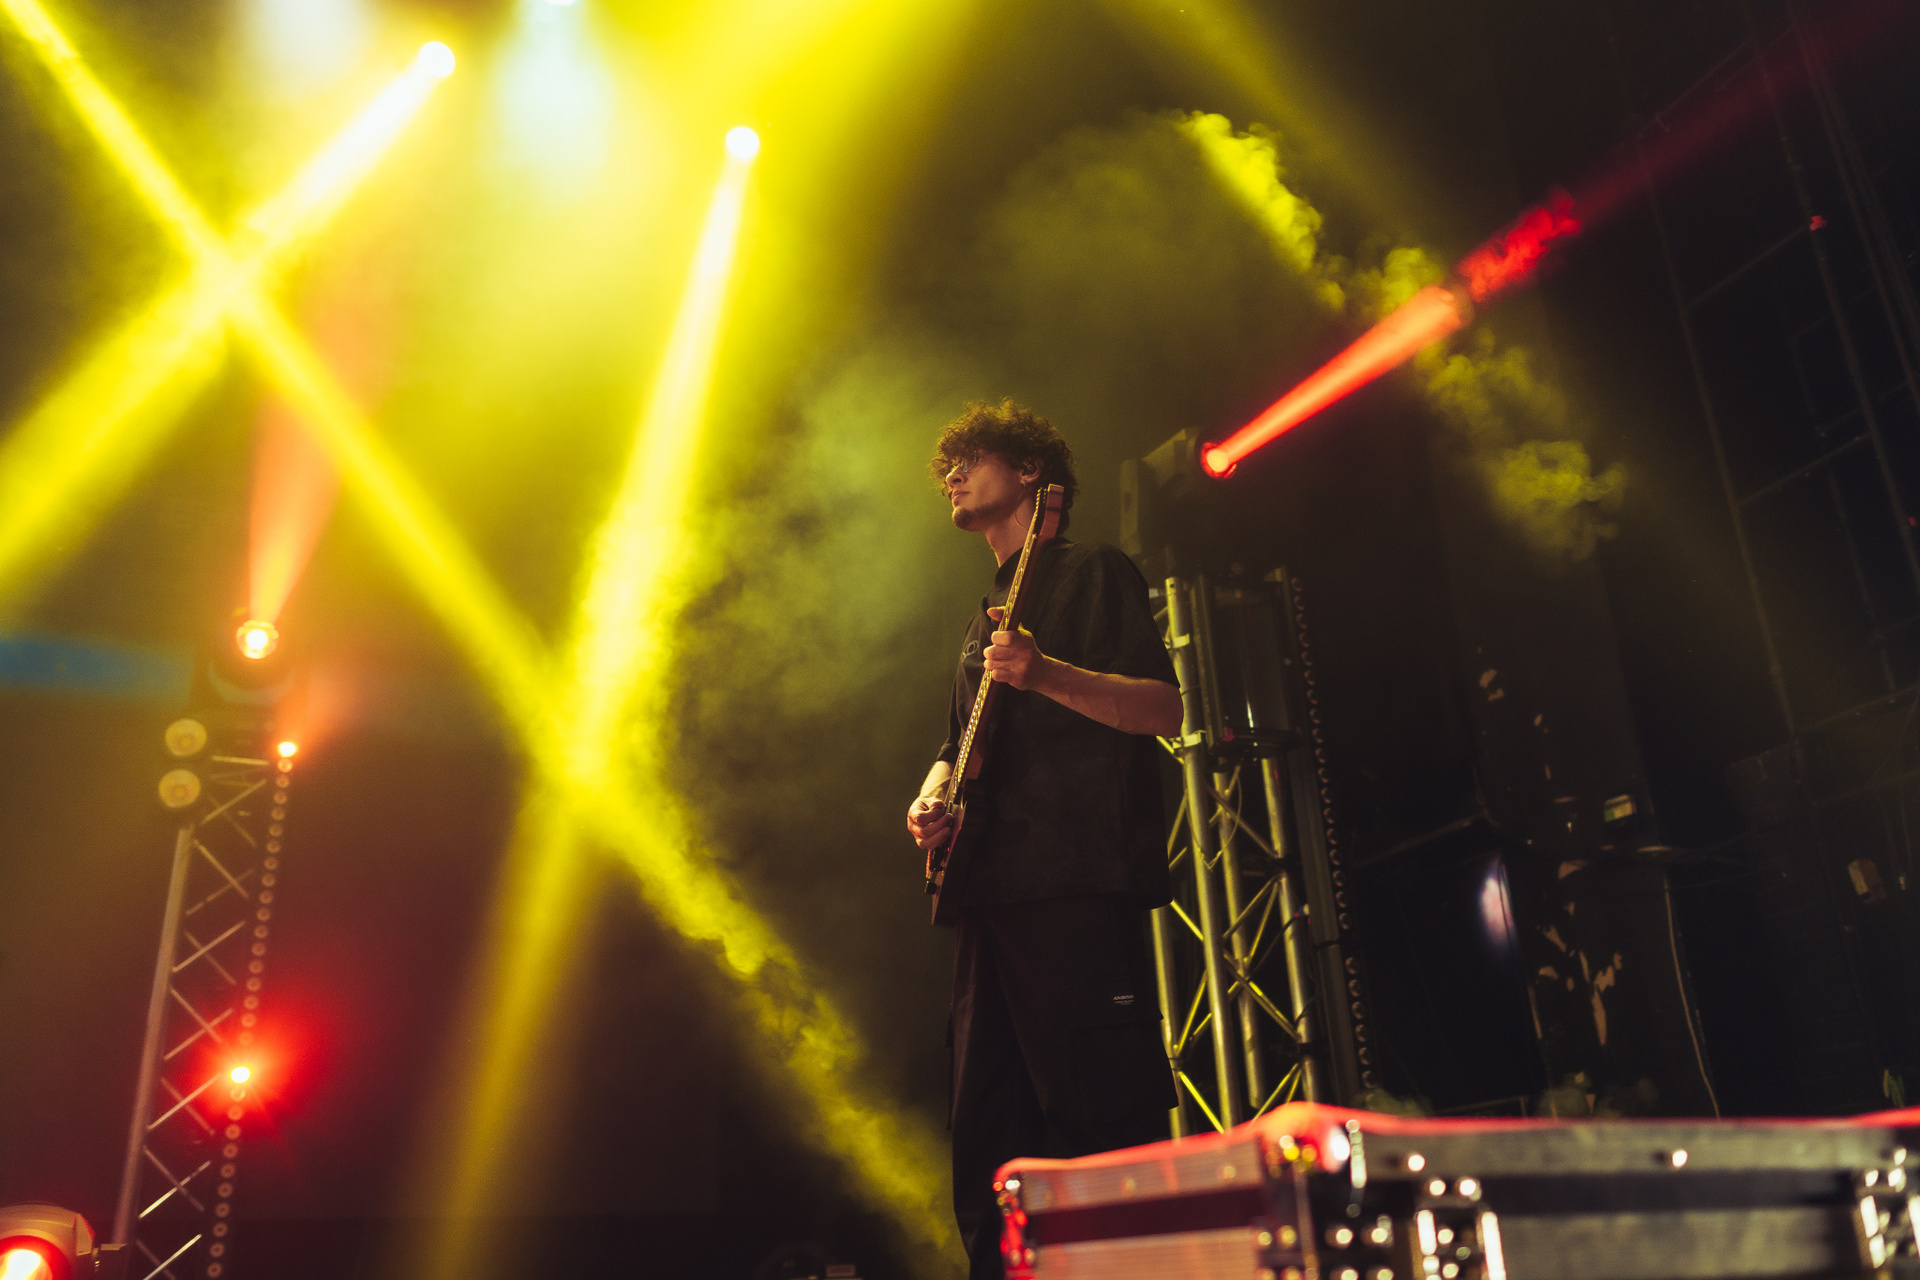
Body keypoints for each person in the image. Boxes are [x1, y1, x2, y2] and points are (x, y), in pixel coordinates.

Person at [906, 400, 1185, 1280]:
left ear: (1031, 470)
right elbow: (959, 744)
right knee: (988, 1140)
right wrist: (930, 796)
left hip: (1073, 883)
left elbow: (1163, 708)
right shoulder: (982, 611)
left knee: (1099, 1120)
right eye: (946, 468)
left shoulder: (1092, 570)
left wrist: (1045, 671)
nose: (952, 476)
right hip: (988, 896)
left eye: (971, 458)